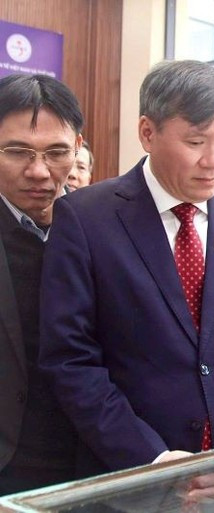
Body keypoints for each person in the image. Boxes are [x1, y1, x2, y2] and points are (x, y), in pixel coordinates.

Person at [38, 61, 214, 495]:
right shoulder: (87, 220)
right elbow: (70, 360)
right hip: (132, 482)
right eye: (195, 141)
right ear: (147, 133)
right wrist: (152, 460)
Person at [0, 74, 83, 494]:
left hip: (90, 464)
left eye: (56, 152)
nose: (38, 171)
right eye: (17, 151)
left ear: (78, 149)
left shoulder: (103, 232)